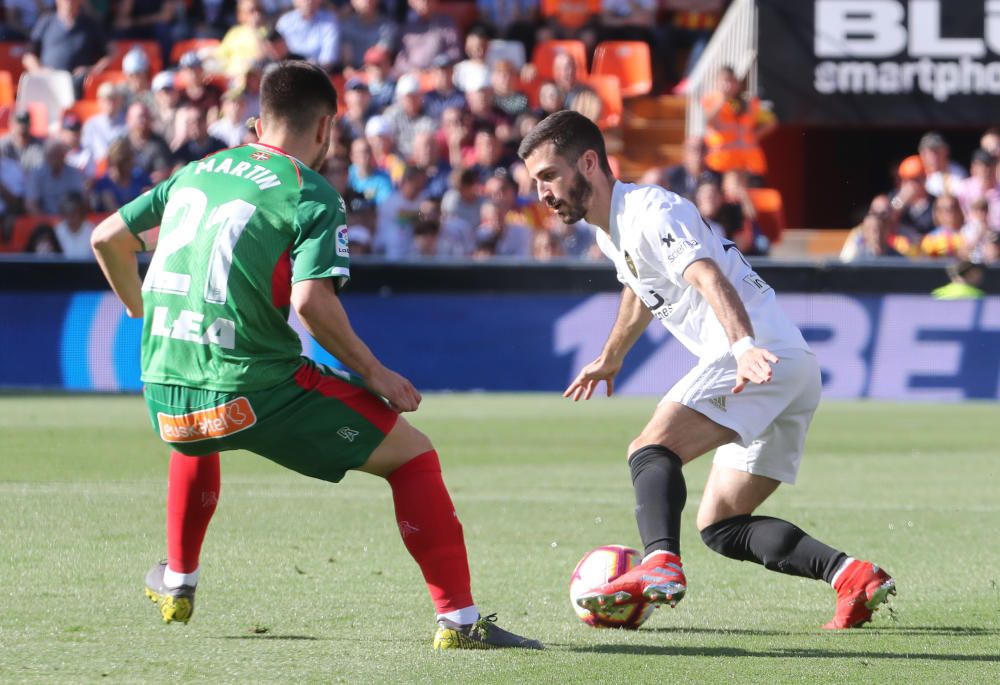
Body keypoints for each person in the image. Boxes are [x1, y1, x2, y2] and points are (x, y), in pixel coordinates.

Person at [89, 60, 541, 651]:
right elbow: (312, 304)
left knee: (200, 430)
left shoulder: (195, 172)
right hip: (256, 389)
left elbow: (107, 239)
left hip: (162, 392)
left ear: (256, 125)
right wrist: (376, 374)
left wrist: (135, 307)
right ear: (327, 127)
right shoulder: (309, 192)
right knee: (413, 458)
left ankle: (178, 578)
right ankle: (459, 622)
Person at [518, 110, 896, 630]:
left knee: (650, 449)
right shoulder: (611, 231)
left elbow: (707, 276)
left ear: (589, 162)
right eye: (536, 182)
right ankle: (852, 575)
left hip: (755, 358)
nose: (542, 192)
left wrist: (741, 346)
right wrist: (613, 357)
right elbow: (640, 288)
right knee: (721, 525)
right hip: (789, 366)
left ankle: (660, 564)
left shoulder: (652, 211)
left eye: (549, 176)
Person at [701, 65, 775, 178]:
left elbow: (771, 122)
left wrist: (754, 136)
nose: (728, 85)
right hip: (720, 163)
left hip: (746, 165)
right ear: (717, 82)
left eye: (731, 81)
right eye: (725, 81)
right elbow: (708, 120)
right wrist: (722, 100)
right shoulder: (711, 100)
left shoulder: (747, 102)